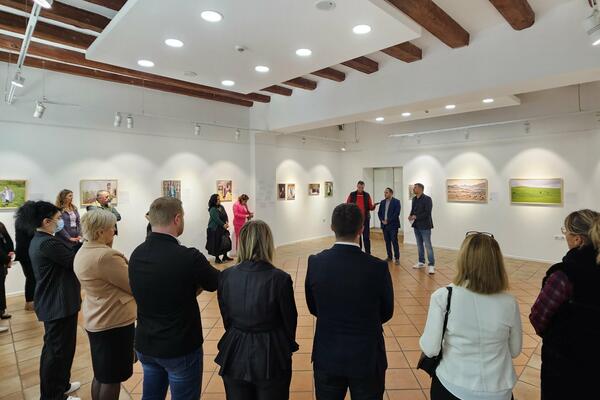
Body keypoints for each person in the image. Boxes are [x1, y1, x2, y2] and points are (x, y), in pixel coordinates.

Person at [129, 197, 220, 399]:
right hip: (179, 346)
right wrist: (193, 286)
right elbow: (215, 282)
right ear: (177, 219)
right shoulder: (188, 256)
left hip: (146, 343)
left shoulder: (136, 254)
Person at [306, 203, 394, 399]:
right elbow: (387, 311)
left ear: (332, 228)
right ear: (361, 229)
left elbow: (313, 306)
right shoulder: (377, 267)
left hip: (328, 354)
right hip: (367, 356)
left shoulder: (316, 263)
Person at [420, 232, 522, 400]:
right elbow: (515, 350)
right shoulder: (509, 302)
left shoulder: (443, 297)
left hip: (454, 384)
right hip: (499, 389)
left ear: (463, 260)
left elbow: (430, 349)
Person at [215, 220, 298, 399]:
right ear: (268, 243)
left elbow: (226, 315)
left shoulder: (226, 276)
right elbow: (289, 320)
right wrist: (285, 345)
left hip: (235, 350)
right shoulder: (280, 279)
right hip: (271, 352)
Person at [529, 210, 600, 400]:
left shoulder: (563, 276)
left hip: (566, 369)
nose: (565, 235)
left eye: (565, 231)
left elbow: (538, 318)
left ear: (577, 239)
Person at [15, 201, 81, 400]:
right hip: (57, 304)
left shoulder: (43, 239)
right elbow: (73, 261)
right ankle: (53, 395)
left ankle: (62, 385)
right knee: (57, 352)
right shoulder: (47, 243)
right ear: (46, 221)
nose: (61, 222)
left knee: (62, 349)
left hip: (58, 302)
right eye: (58, 218)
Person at [74, 209, 136, 400]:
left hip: (97, 317)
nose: (114, 232)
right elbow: (132, 285)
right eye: (112, 228)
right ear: (100, 232)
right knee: (112, 378)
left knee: (102, 374)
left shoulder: (84, 250)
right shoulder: (106, 256)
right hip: (113, 321)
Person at [409, 183, 435, 274]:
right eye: (413, 188)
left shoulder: (427, 199)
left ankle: (431, 265)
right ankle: (421, 262)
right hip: (416, 225)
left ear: (420, 189)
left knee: (428, 245)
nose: (413, 189)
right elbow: (413, 210)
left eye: (415, 188)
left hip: (425, 226)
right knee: (419, 245)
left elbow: (427, 212)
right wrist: (410, 216)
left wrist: (416, 216)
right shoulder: (414, 199)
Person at [346, 181, 377, 254]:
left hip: (365, 219)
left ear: (364, 187)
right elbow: (347, 205)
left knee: (366, 237)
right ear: (357, 186)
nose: (360, 189)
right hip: (355, 220)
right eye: (359, 187)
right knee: (357, 237)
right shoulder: (352, 194)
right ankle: (358, 253)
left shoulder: (367, 195)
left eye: (362, 187)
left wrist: (374, 206)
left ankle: (368, 253)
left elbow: (370, 207)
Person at [15, 219, 35, 311]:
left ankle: (31, 301)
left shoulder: (20, 220)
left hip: (23, 253)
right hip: (26, 254)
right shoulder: (26, 222)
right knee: (31, 277)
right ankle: (30, 302)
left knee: (31, 277)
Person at [206, 193, 233, 264]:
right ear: (214, 200)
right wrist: (223, 225)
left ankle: (225, 256)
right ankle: (217, 258)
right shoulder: (212, 209)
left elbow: (225, 215)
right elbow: (216, 219)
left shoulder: (221, 206)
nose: (219, 200)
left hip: (222, 227)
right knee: (217, 243)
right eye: (217, 199)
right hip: (215, 229)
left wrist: (226, 222)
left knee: (226, 241)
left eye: (219, 199)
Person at [377, 188, 401, 265]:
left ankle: (397, 258)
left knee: (394, 241)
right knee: (387, 242)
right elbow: (379, 213)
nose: (385, 194)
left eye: (386, 192)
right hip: (384, 225)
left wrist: (388, 220)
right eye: (384, 192)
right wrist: (382, 220)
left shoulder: (396, 202)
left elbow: (397, 213)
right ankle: (389, 257)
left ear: (391, 193)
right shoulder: (382, 202)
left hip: (393, 225)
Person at [0, 221, 15, 322]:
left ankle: (1, 310)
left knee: (1, 288)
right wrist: (7, 259)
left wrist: (10, 255)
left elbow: (9, 241)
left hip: (3, 264)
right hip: (2, 262)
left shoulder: (1, 227)